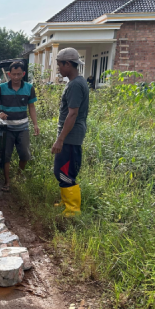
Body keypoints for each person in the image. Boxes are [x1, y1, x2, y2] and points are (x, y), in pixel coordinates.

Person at [0, 60, 40, 186]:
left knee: (25, 154)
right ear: (9, 74)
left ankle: (18, 175)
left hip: (23, 127)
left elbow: (31, 107)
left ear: (23, 73)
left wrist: (35, 124)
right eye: (14, 74)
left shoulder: (29, 88)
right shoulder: (2, 87)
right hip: (7, 128)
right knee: (6, 156)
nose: (16, 77)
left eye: (19, 74)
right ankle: (7, 181)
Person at [51, 47, 90, 216]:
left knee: (65, 171)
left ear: (68, 64)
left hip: (70, 137)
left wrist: (60, 139)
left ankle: (73, 210)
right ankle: (66, 202)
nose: (59, 68)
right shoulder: (75, 83)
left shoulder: (75, 85)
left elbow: (72, 114)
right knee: (60, 170)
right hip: (70, 135)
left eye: (60, 65)